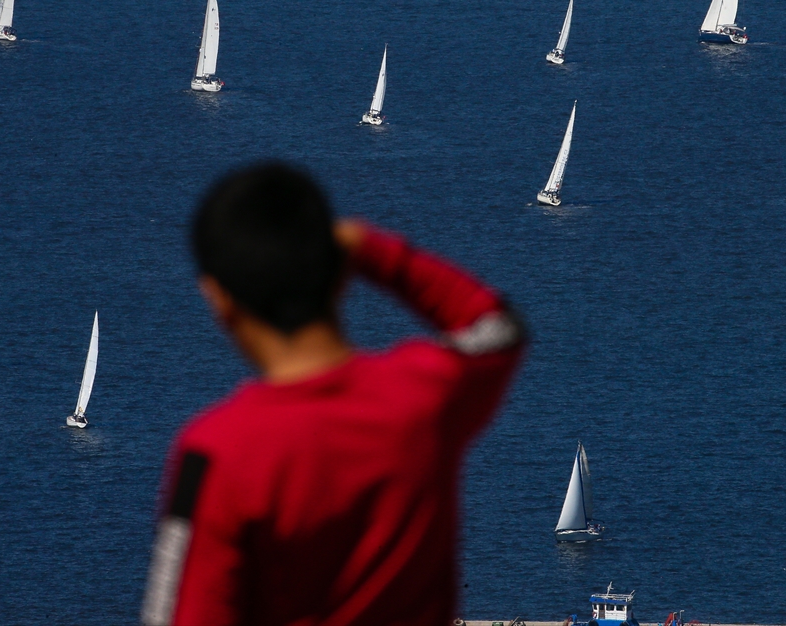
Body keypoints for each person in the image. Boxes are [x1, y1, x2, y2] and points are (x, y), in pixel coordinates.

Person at [141, 163, 526, 626]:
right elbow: (498, 330)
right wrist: (372, 250)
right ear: (340, 276)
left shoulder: (213, 452)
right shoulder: (421, 400)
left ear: (218, 299)